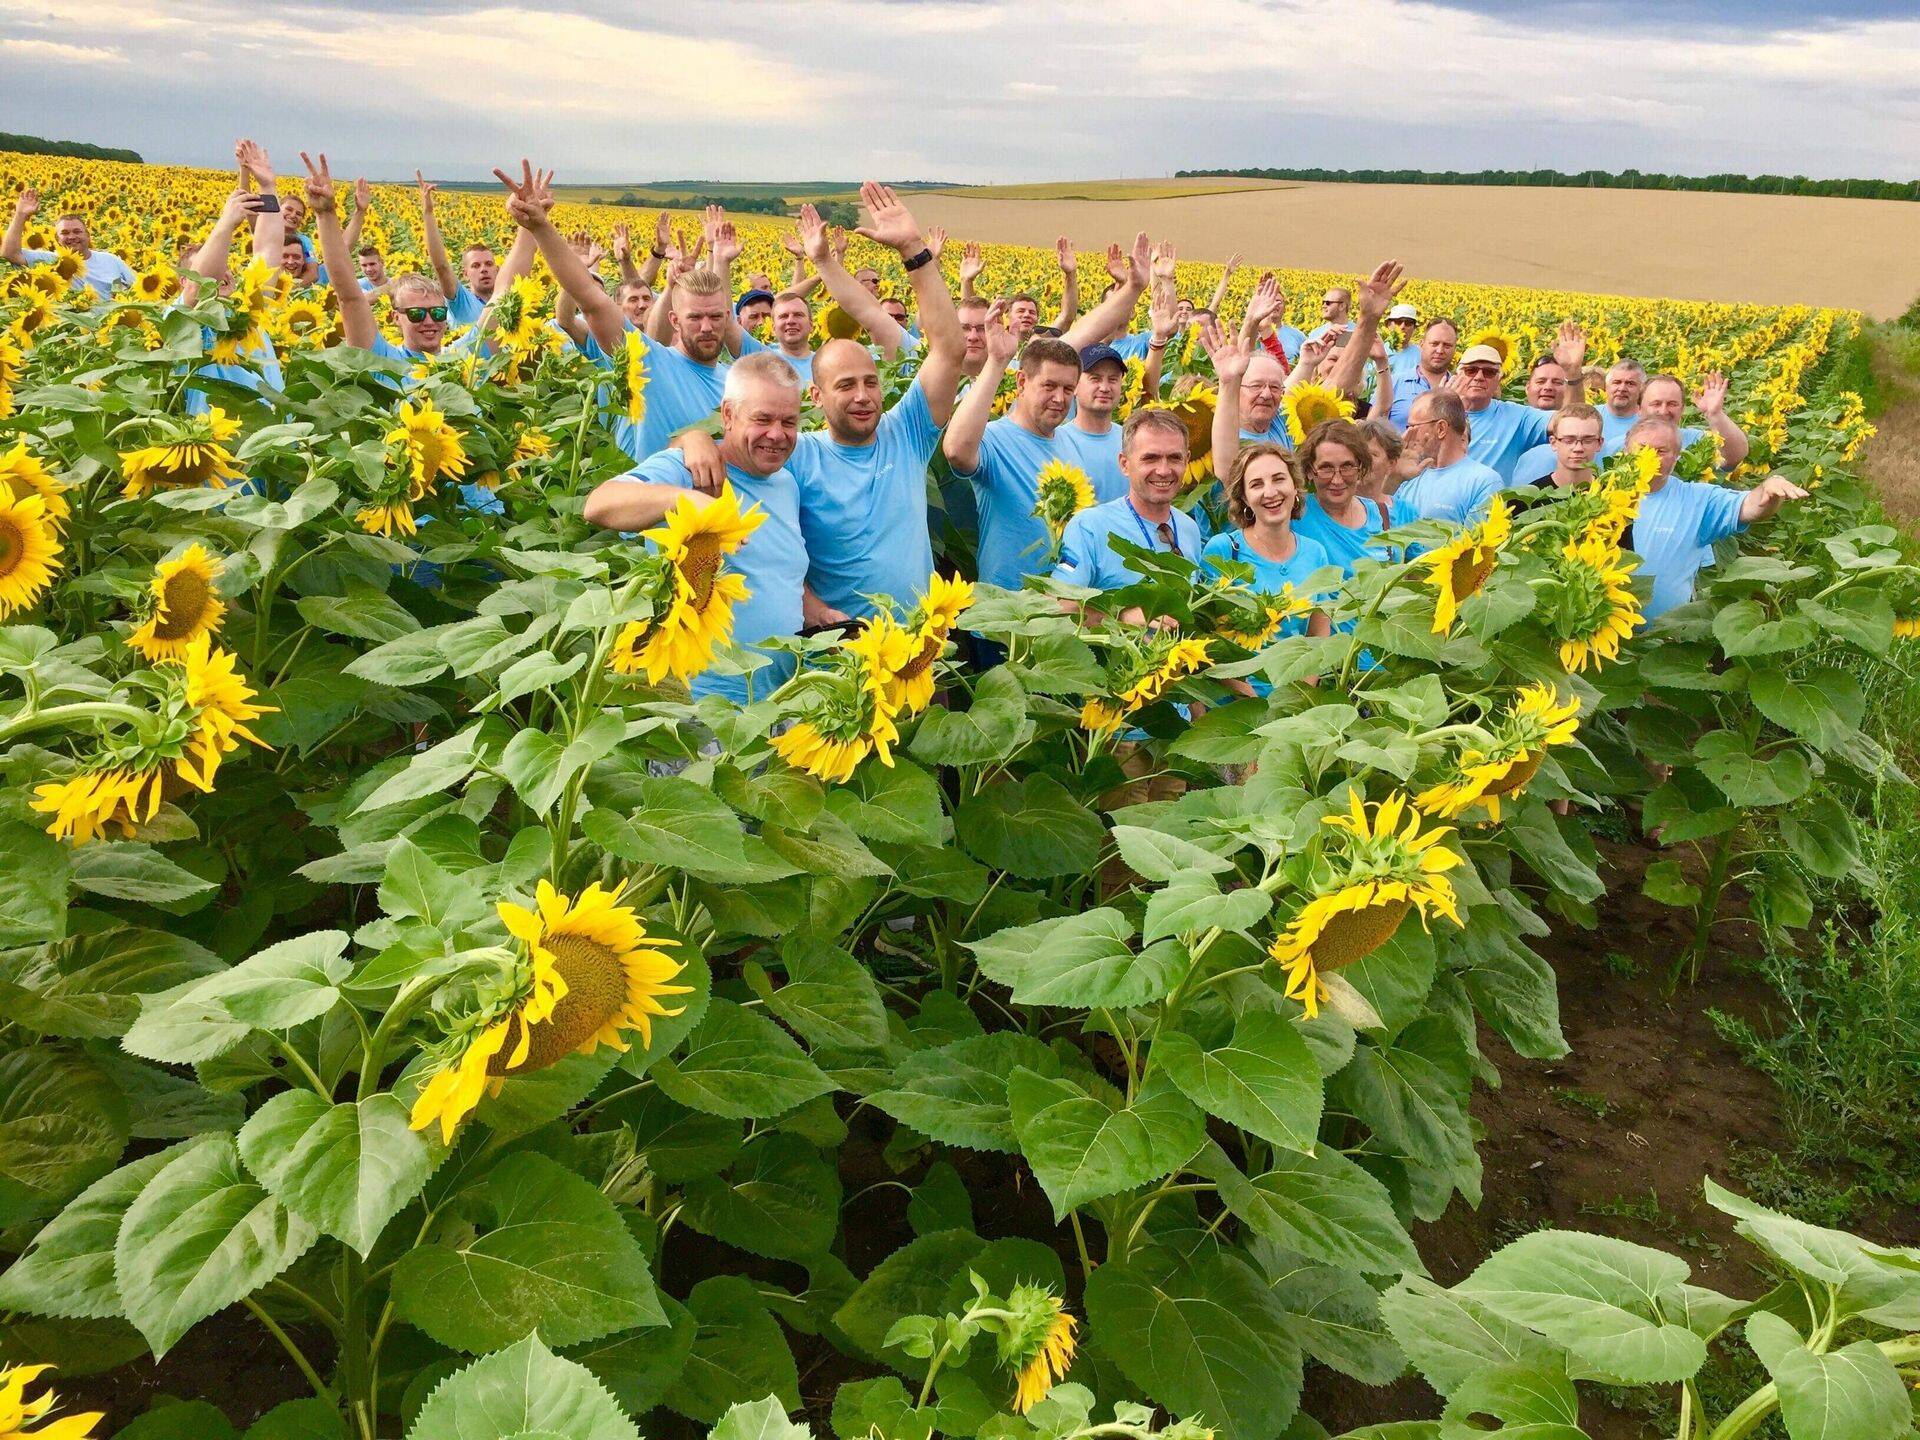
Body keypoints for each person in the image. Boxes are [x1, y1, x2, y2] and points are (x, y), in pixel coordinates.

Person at [689, 182, 964, 628]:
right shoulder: (796, 454)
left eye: (871, 382)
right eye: (846, 385)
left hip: (920, 638)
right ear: (815, 396)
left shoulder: (907, 431)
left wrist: (914, 250)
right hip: (838, 646)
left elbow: (949, 349)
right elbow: (771, 540)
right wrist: (696, 438)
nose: (863, 396)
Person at [583, 352, 807, 703]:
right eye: (762, 419)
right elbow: (599, 504)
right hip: (701, 704)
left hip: (779, 700)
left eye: (789, 422)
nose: (777, 434)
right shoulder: (692, 470)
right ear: (729, 415)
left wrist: (819, 612)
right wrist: (686, 499)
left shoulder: (786, 484)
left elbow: (777, 575)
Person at [943, 234, 1151, 595]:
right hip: (1007, 612)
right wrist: (996, 361)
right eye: (1049, 387)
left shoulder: (1071, 443)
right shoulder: (996, 438)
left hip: (1064, 607)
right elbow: (956, 451)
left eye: (1069, 389)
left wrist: (1132, 289)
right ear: (1021, 382)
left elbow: (1083, 332)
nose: (1060, 398)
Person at [503, 163, 735, 460]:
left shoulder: (737, 382)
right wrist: (540, 227)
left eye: (715, 317)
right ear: (674, 321)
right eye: (695, 317)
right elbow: (591, 300)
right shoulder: (650, 361)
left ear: (727, 318)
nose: (706, 327)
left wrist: (718, 256)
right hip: (655, 502)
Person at [1623, 416, 1806, 617]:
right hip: (1604, 633)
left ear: (1676, 457)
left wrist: (1769, 489)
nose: (1650, 456)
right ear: (1626, 451)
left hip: (1665, 635)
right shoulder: (1604, 497)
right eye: (1642, 448)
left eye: (1661, 451)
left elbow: (1749, 508)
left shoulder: (1696, 498)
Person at [1203, 441, 1334, 695]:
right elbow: (1210, 639)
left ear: (1295, 487)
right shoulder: (1223, 551)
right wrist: (1254, 702)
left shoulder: (1314, 552)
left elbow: (1318, 632)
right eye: (1256, 484)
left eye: (1278, 479)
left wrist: (1298, 696)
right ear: (1243, 498)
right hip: (1236, 706)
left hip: (1294, 701)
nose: (1270, 492)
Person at [1055, 408, 1203, 597]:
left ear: (1187, 460)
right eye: (1151, 458)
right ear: (1125, 464)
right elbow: (1059, 604)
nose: (1164, 470)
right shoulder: (1090, 527)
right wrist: (1121, 614)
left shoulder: (1189, 529)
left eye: (1174, 458)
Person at [1451, 322, 1585, 480]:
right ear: (1457, 373)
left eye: (1489, 372)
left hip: (1494, 503)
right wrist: (1449, 407)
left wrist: (1572, 372)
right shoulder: (1435, 410)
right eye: (1471, 370)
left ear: (1498, 380)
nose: (1479, 377)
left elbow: (1573, 421)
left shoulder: (1517, 417)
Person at [1293, 418, 1394, 573]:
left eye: (1347, 467)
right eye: (1326, 468)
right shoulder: (1295, 515)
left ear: (1360, 467)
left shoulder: (1383, 516)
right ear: (1309, 471)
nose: (1337, 480)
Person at [1392, 390, 1503, 524]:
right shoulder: (1409, 475)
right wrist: (1395, 477)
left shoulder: (1484, 482)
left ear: (1441, 429)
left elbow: (1477, 542)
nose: (1408, 433)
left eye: (1413, 426)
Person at [2, 188, 136, 299]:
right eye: (65, 233)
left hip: (116, 325)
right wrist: (20, 215)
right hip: (76, 326)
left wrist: (119, 294)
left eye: (77, 231)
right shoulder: (52, 261)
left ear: (88, 236)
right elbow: (10, 253)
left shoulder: (111, 260)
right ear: (56, 239)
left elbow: (133, 285)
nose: (71, 236)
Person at [1637, 372, 1751, 469]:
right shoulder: (1622, 445)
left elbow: (1735, 456)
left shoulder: (1696, 440)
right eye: (1656, 404)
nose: (1663, 411)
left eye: (1672, 404)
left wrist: (1715, 414)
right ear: (1639, 409)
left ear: (1682, 409)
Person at [1386, 318, 1458, 427]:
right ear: (1421, 344)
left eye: (1447, 346)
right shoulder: (1393, 382)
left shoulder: (1459, 387)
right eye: (1434, 343)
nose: (1440, 350)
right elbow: (1374, 425)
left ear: (1455, 349)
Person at [1518, 404, 1604, 489]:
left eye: (1587, 441)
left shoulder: (1610, 495)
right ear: (1553, 443)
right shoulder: (1529, 499)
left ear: (1599, 443)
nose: (1578, 448)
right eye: (1569, 441)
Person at [763, 290, 816, 385]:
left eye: (798, 315)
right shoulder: (763, 362)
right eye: (783, 316)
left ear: (811, 326)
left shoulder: (825, 364)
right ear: (773, 328)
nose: (790, 321)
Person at [1599, 358, 1646, 447]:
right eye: (1616, 382)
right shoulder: (1592, 415)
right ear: (1606, 386)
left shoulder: (1649, 421)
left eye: (1630, 383)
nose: (1622, 389)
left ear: (1642, 389)